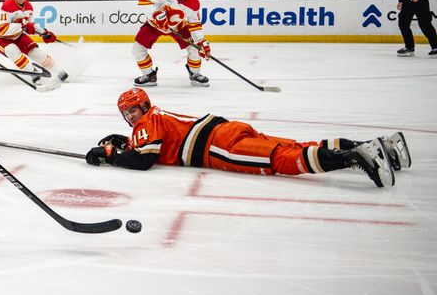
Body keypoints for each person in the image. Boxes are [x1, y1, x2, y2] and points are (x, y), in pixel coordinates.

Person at [85, 88, 408, 188]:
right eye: (126, 114)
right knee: (291, 146)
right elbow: (140, 150)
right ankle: (378, 146)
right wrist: (118, 149)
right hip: (227, 130)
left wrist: (110, 156)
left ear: (143, 106)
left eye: (133, 111)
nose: (131, 117)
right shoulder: (155, 119)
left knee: (279, 159)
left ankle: (354, 157)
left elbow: (142, 161)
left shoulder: (146, 124)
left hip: (218, 147)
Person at [131, 0, 211, 88]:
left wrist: (201, 42)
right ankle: (149, 75)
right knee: (137, 49)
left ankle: (195, 74)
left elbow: (194, 24)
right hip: (155, 25)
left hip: (178, 27)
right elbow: (145, 1)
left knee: (195, 49)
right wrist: (155, 15)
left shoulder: (194, 2)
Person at [0, 0, 68, 91]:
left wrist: (44, 33)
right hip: (0, 38)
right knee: (12, 51)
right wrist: (22, 27)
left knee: (36, 52)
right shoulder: (8, 6)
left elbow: (29, 25)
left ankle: (57, 70)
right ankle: (33, 72)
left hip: (17, 35)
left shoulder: (29, 7)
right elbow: (2, 29)